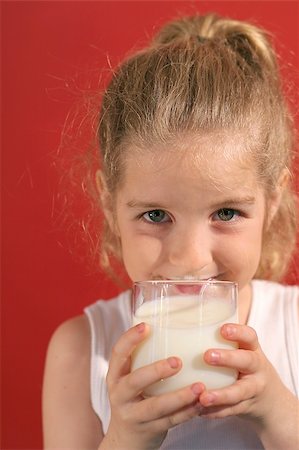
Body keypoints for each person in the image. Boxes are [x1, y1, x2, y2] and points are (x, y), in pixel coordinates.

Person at [42, 12, 299, 450]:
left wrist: (274, 408)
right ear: (109, 202)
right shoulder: (82, 351)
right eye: (157, 216)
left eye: (227, 212)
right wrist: (126, 437)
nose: (190, 258)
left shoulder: (293, 328)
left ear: (272, 200)